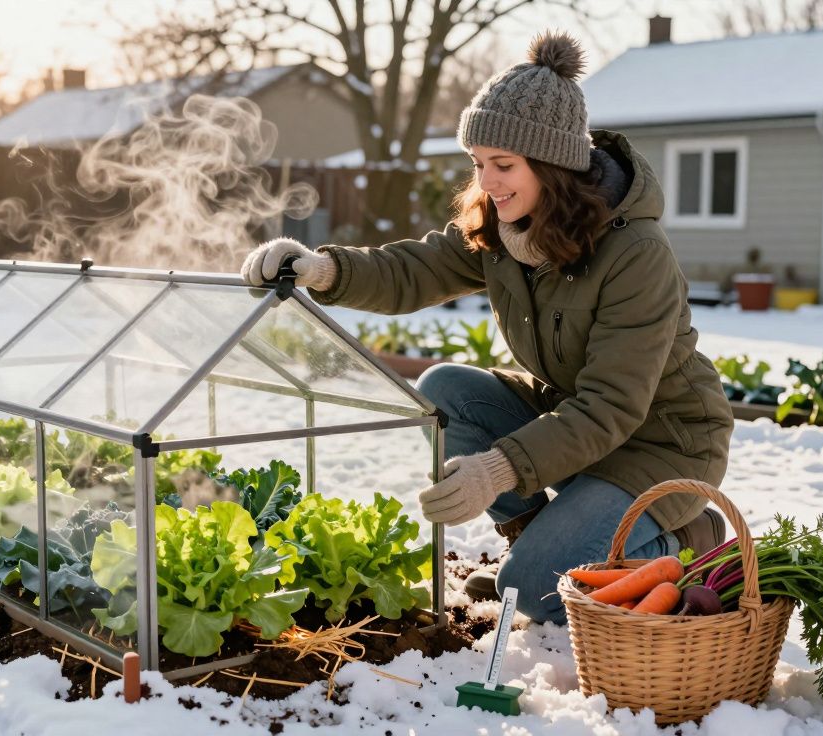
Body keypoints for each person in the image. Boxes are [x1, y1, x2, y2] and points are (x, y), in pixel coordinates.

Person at [239, 31, 732, 625]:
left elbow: (612, 406)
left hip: (661, 445)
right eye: (478, 164)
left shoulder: (636, 254)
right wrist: (323, 269)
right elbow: (412, 271)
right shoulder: (504, 226)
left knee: (533, 592)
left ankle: (687, 539)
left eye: (504, 165)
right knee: (446, 390)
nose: (488, 181)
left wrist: (497, 469)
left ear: (554, 167)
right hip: (575, 424)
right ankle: (534, 536)